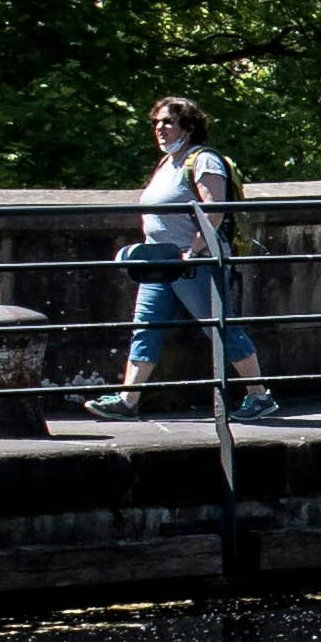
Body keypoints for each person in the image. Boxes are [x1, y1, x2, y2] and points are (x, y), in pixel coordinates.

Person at [117, 100, 275, 416]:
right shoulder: (167, 163)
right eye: (157, 123)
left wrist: (196, 251)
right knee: (146, 326)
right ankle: (127, 400)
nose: (160, 129)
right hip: (161, 264)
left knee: (220, 326)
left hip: (194, 265)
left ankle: (260, 396)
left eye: (168, 123)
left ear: (188, 128)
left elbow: (213, 209)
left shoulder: (203, 161)